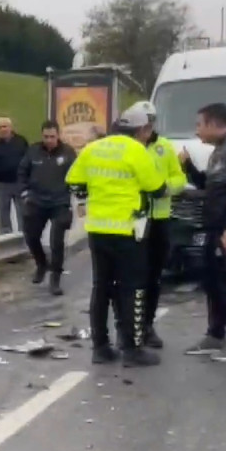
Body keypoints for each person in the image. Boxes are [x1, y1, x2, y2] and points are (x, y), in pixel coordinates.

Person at [66, 106, 166, 367]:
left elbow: (74, 180)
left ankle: (100, 347)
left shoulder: (93, 148)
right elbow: (157, 187)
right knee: (133, 288)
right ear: (141, 130)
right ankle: (132, 349)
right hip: (127, 230)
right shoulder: (136, 151)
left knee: (101, 287)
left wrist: (92, 197)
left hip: (98, 229)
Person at [178, 102, 226, 362]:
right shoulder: (218, 152)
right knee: (213, 282)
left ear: (213, 124)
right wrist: (187, 168)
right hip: (213, 229)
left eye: (199, 124)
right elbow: (211, 187)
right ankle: (215, 335)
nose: (197, 130)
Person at [130, 100, 187, 349]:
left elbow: (179, 178)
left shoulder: (165, 147)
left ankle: (148, 325)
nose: (149, 126)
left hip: (160, 220)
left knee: (154, 277)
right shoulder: (129, 148)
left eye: (152, 122)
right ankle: (129, 325)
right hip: (133, 220)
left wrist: (165, 190)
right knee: (133, 276)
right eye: (145, 122)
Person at [17, 120, 77, 295]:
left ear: (58, 136)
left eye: (52, 137)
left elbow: (77, 174)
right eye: (46, 137)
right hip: (37, 201)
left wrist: (77, 197)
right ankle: (41, 263)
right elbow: (22, 172)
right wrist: (24, 193)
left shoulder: (68, 153)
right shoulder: (33, 151)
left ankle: (55, 280)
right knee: (31, 236)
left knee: (56, 241)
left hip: (60, 202)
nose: (49, 140)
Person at [0, 117, 29, 235]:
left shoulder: (21, 141)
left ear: (11, 127)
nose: (3, 129)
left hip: (19, 182)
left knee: (23, 211)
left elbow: (28, 159)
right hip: (1, 184)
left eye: (5, 126)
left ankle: (24, 235)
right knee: (3, 211)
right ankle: (5, 235)